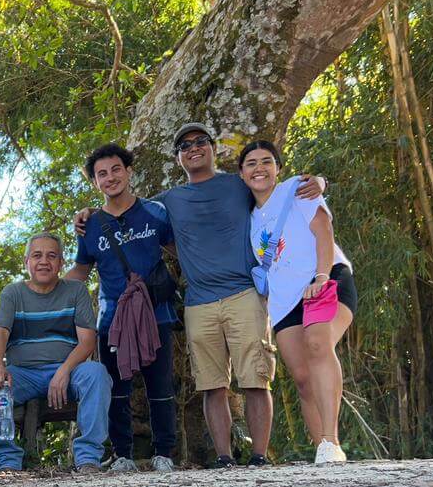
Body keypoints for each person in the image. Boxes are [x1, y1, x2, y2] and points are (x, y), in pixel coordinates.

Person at [74, 124, 324, 467]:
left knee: (255, 378)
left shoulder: (238, 184)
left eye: (200, 141)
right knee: (211, 384)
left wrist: (318, 182)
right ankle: (223, 458)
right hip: (197, 302)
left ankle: (258, 457)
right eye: (184, 145)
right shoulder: (168, 201)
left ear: (212, 148)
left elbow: (275, 189)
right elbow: (124, 211)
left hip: (244, 294)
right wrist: (89, 214)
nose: (193, 148)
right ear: (178, 157)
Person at [240, 140, 356, 464]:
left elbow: (323, 230)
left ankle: (331, 441)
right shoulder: (248, 218)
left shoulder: (296, 190)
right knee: (303, 378)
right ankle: (322, 450)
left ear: (278, 168)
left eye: (266, 161)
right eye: (251, 163)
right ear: (242, 174)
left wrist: (321, 277)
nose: (259, 168)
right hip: (284, 300)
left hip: (324, 277)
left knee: (318, 343)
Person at [67, 144, 178, 474]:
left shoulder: (156, 213)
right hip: (112, 319)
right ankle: (122, 454)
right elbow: (80, 271)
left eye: (116, 169)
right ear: (95, 183)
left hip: (157, 313)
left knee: (160, 386)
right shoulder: (90, 225)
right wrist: (40, 289)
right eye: (102, 174)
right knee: (117, 389)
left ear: (128, 171)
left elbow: (181, 251)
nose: (110, 177)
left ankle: (164, 453)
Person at [0, 234, 111, 472]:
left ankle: (88, 459)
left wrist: (63, 371)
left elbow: (87, 342)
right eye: (37, 255)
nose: (44, 261)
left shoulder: (76, 291)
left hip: (68, 372)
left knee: (96, 373)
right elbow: (0, 332)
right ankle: (8, 461)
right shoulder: (13, 293)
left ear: (61, 263)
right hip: (23, 374)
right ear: (27, 262)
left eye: (52, 256)